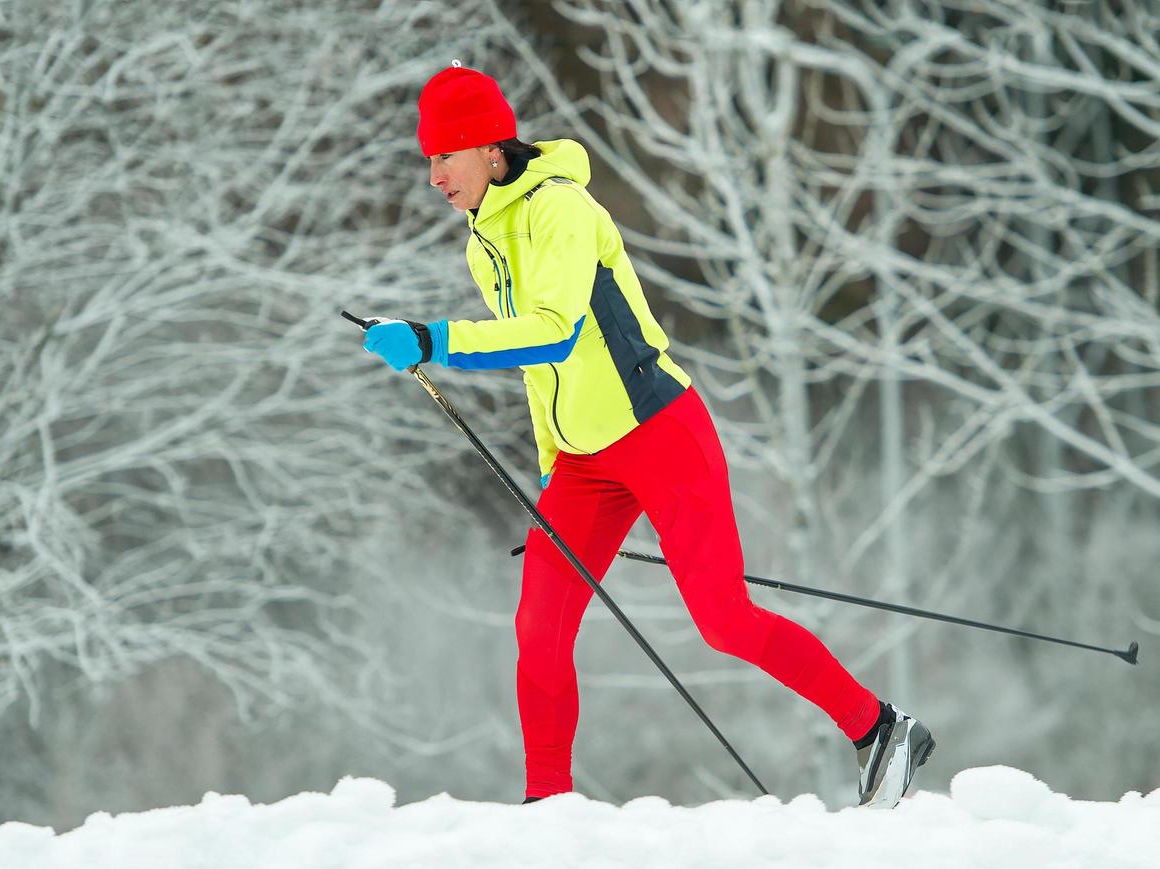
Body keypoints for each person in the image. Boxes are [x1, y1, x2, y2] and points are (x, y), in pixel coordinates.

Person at [361, 62, 934, 808]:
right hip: (582, 463)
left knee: (723, 620)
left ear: (491, 150)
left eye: (444, 155)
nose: (433, 174)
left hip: (659, 434)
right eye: (427, 159)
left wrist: (433, 340)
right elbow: (541, 376)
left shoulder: (560, 211)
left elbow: (553, 336)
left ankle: (879, 729)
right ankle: (548, 809)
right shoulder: (484, 241)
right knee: (538, 629)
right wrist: (547, 466)